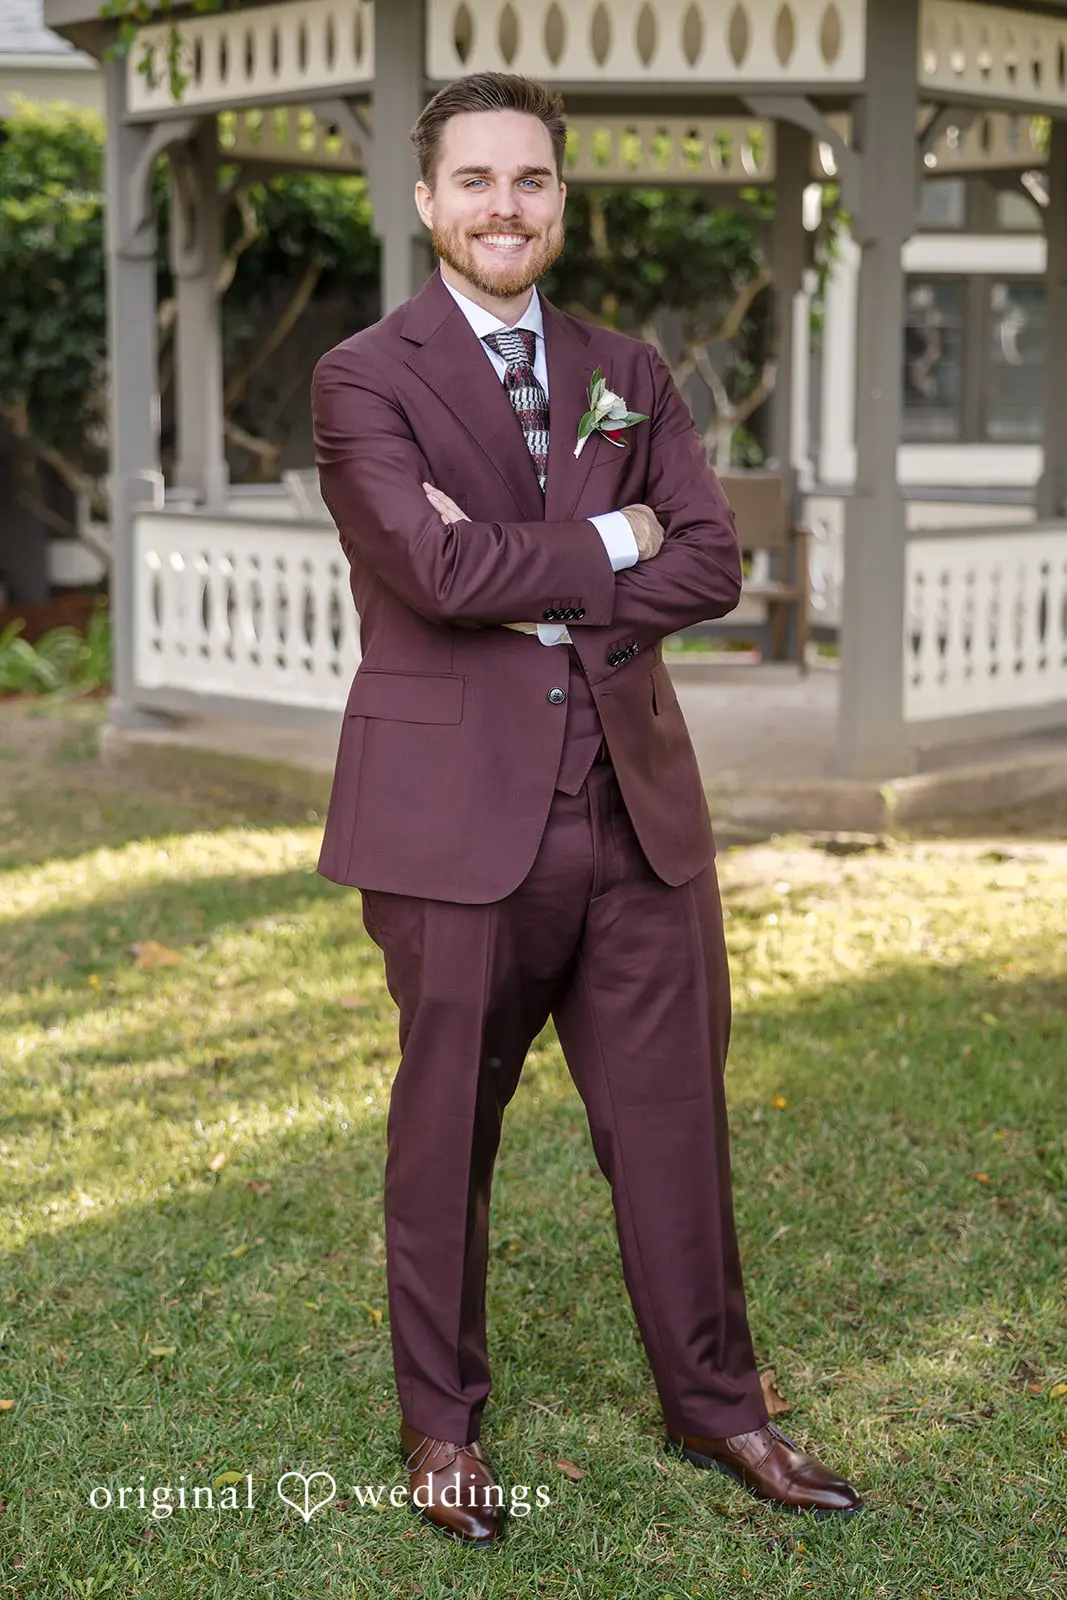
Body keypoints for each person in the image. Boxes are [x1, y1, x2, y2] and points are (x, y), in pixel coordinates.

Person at [311, 70, 862, 1545]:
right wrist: (611, 537)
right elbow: (431, 579)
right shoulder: (364, 376)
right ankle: (441, 1428)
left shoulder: (630, 365)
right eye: (477, 180)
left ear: (561, 199)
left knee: (674, 1124)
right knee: (445, 1132)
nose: (507, 206)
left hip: (639, 818)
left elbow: (708, 565)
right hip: (451, 824)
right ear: (426, 201)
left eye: (533, 181)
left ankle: (717, 1404)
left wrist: (536, 552)